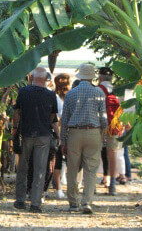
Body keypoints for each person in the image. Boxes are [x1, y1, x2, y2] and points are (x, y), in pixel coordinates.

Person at [61, 64, 107, 214]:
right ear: (92, 77)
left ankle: (73, 203)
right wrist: (102, 137)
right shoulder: (99, 92)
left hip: (74, 133)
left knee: (73, 169)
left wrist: (63, 141)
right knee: (91, 170)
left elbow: (64, 120)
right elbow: (104, 119)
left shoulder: (71, 94)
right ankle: (87, 202)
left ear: (79, 76)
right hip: (93, 132)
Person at [12, 67, 60, 213]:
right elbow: (53, 118)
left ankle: (20, 200)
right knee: (39, 170)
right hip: (43, 134)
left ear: (32, 77)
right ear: (46, 79)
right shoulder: (51, 95)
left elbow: (17, 112)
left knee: (22, 168)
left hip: (26, 134)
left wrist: (15, 128)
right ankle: (35, 203)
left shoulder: (23, 92)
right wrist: (58, 135)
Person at [98, 67, 122, 195]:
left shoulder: (97, 90)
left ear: (100, 77)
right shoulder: (117, 91)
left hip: (99, 126)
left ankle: (92, 186)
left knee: (94, 154)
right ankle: (112, 185)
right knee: (113, 156)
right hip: (115, 126)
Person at [52, 73, 71, 199]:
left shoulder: (53, 97)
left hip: (57, 131)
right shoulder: (70, 97)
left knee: (57, 160)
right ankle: (62, 186)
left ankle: (58, 186)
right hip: (68, 131)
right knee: (66, 160)